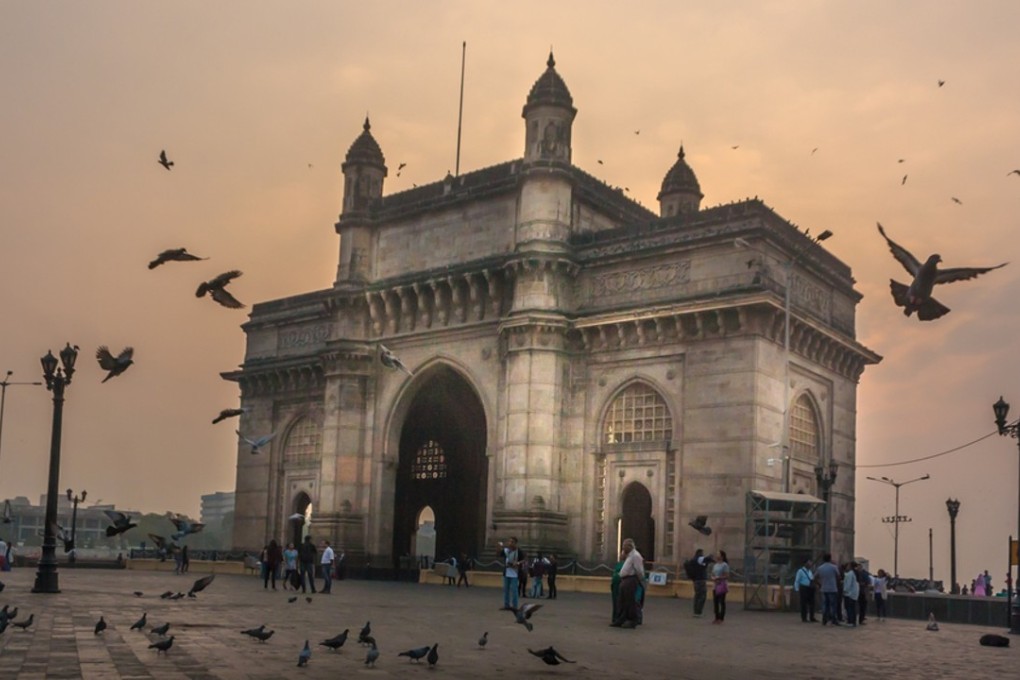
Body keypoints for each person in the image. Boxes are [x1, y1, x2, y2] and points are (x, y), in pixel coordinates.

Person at [610, 538, 645, 629]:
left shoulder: (636, 556)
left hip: (631, 579)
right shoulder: (629, 556)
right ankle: (621, 619)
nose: (623, 548)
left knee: (630, 601)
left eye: (625, 546)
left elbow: (639, 570)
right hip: (624, 580)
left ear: (630, 546)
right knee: (622, 601)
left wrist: (640, 580)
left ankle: (632, 620)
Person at [815, 553, 841, 626]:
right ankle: (833, 619)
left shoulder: (820, 568)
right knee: (833, 605)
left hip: (824, 588)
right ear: (830, 558)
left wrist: (819, 584)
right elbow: (838, 577)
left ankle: (824, 619)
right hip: (832, 588)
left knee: (825, 605)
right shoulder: (834, 567)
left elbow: (814, 578)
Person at [498, 537, 521, 610]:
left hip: (515, 573)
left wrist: (517, 563)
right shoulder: (506, 550)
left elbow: (524, 559)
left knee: (514, 591)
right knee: (506, 590)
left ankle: (515, 606)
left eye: (512, 542)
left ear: (515, 543)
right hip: (506, 572)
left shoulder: (519, 551)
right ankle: (506, 605)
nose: (510, 543)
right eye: (509, 541)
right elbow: (498, 554)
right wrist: (498, 547)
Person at [688, 548, 712, 618]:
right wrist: (710, 557)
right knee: (702, 596)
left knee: (697, 596)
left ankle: (696, 611)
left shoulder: (693, 560)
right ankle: (698, 611)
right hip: (701, 580)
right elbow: (706, 559)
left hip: (695, 580)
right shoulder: (699, 559)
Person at [794, 557, 817, 622]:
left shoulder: (810, 571)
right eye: (809, 562)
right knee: (804, 603)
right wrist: (797, 589)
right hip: (804, 588)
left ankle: (812, 617)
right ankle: (804, 617)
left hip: (810, 588)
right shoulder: (800, 571)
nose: (810, 563)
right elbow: (797, 580)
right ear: (805, 563)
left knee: (812, 603)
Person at [711, 549, 730, 624]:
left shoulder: (724, 565)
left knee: (721, 602)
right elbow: (712, 574)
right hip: (715, 585)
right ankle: (716, 616)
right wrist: (713, 578)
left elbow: (727, 575)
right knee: (715, 602)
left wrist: (719, 578)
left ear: (722, 556)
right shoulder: (715, 565)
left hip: (721, 585)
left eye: (718, 554)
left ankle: (721, 617)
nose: (717, 555)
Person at [842, 562, 859, 627]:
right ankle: (853, 621)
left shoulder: (850, 574)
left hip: (849, 594)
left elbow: (848, 584)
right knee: (852, 608)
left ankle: (850, 621)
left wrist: (844, 590)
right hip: (854, 594)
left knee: (849, 608)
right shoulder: (854, 573)